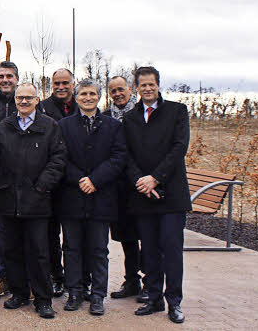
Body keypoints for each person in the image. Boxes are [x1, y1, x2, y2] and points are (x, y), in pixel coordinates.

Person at [0, 82, 66, 320]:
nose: (23, 102)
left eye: (28, 98)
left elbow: (58, 159)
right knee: (11, 250)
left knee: (39, 251)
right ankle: (19, 293)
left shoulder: (50, 126)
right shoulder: (5, 126)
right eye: (20, 98)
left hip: (37, 200)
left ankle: (43, 299)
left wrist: (42, 185)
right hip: (7, 198)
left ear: (37, 100)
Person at [123, 66, 190, 324]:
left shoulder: (176, 112)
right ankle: (153, 298)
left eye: (152, 84)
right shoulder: (130, 119)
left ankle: (174, 302)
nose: (148, 89)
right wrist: (141, 181)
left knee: (171, 251)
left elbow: (178, 148)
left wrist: (156, 178)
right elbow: (126, 154)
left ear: (158, 85)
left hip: (171, 195)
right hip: (142, 194)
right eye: (143, 85)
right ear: (137, 88)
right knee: (148, 250)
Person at [56, 80, 127, 316]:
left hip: (101, 197)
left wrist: (95, 180)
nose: (88, 97)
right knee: (72, 248)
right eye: (83, 94)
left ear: (99, 97)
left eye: (93, 93)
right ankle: (75, 291)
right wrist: (80, 179)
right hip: (72, 197)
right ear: (76, 98)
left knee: (98, 249)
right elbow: (59, 158)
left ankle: (97, 295)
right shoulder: (64, 126)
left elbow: (118, 158)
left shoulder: (113, 126)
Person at [106, 75, 147, 302]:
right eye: (113, 91)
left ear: (130, 89)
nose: (117, 94)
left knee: (147, 236)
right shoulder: (106, 117)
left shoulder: (142, 115)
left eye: (121, 89)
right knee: (127, 238)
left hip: (141, 183)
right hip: (118, 187)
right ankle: (131, 280)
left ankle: (150, 281)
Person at [38, 68, 75, 297]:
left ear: (73, 83)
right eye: (56, 83)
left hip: (75, 183)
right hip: (50, 183)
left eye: (65, 83)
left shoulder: (84, 103)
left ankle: (77, 280)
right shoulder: (42, 107)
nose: (61, 87)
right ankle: (56, 276)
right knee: (50, 236)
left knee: (73, 238)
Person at [0, 60, 19, 298]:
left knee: (31, 235)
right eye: (2, 76)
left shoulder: (26, 102)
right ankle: (4, 277)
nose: (6, 80)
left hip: (28, 181)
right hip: (2, 181)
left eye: (10, 76)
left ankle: (26, 280)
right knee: (4, 235)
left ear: (16, 79)